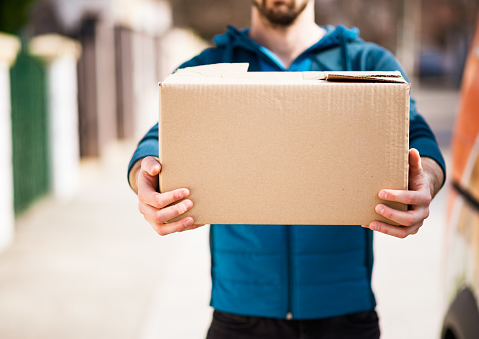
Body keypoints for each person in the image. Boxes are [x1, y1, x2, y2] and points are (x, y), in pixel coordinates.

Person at [128, 0, 446, 338]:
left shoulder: (365, 62)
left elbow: (418, 136)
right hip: (240, 314)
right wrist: (142, 179)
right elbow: (156, 142)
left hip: (345, 313)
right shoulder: (209, 67)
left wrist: (425, 178)